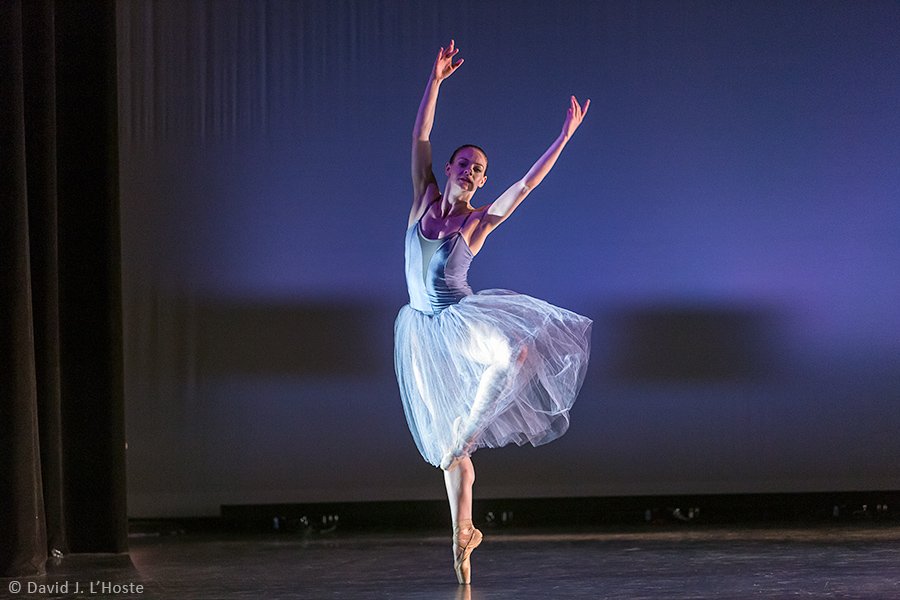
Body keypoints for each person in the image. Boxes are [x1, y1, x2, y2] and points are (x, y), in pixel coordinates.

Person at [394, 40, 592, 585]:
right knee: (446, 453)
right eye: (464, 163)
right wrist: (435, 81)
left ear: (481, 182)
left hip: (458, 321)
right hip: (419, 333)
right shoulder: (422, 199)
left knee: (512, 353)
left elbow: (525, 186)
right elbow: (421, 136)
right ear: (450, 168)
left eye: (478, 170)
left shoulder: (476, 223)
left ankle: (469, 429)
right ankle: (463, 535)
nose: (470, 172)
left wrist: (563, 137)